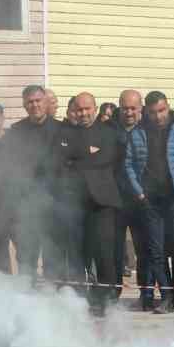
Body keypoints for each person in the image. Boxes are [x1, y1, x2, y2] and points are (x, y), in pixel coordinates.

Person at [122, 91, 174, 314]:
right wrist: (139, 193)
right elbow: (128, 165)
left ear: (168, 106)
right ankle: (166, 297)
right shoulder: (137, 133)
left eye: (162, 110)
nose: (158, 116)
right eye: (153, 112)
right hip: (151, 202)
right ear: (146, 111)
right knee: (157, 253)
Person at [54, 92, 126, 311]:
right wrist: (87, 155)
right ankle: (83, 299)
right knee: (79, 253)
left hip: (102, 202)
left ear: (95, 109)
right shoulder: (65, 133)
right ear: (73, 111)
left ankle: (107, 299)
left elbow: (105, 159)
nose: (83, 113)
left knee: (104, 253)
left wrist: (76, 159)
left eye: (87, 109)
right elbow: (59, 161)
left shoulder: (108, 132)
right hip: (76, 203)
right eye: (79, 109)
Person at [1, 85, 60, 275]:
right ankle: (27, 292)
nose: (35, 105)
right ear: (25, 105)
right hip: (25, 206)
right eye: (30, 102)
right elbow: (9, 168)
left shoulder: (61, 129)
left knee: (53, 257)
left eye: (38, 101)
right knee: (26, 258)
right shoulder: (16, 131)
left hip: (53, 205)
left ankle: (53, 292)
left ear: (46, 102)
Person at [113, 89, 149, 304]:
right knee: (116, 250)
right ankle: (113, 294)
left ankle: (146, 293)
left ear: (141, 108)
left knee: (143, 249)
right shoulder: (110, 130)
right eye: (125, 108)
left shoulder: (148, 131)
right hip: (116, 199)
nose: (129, 112)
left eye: (133, 108)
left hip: (140, 199)